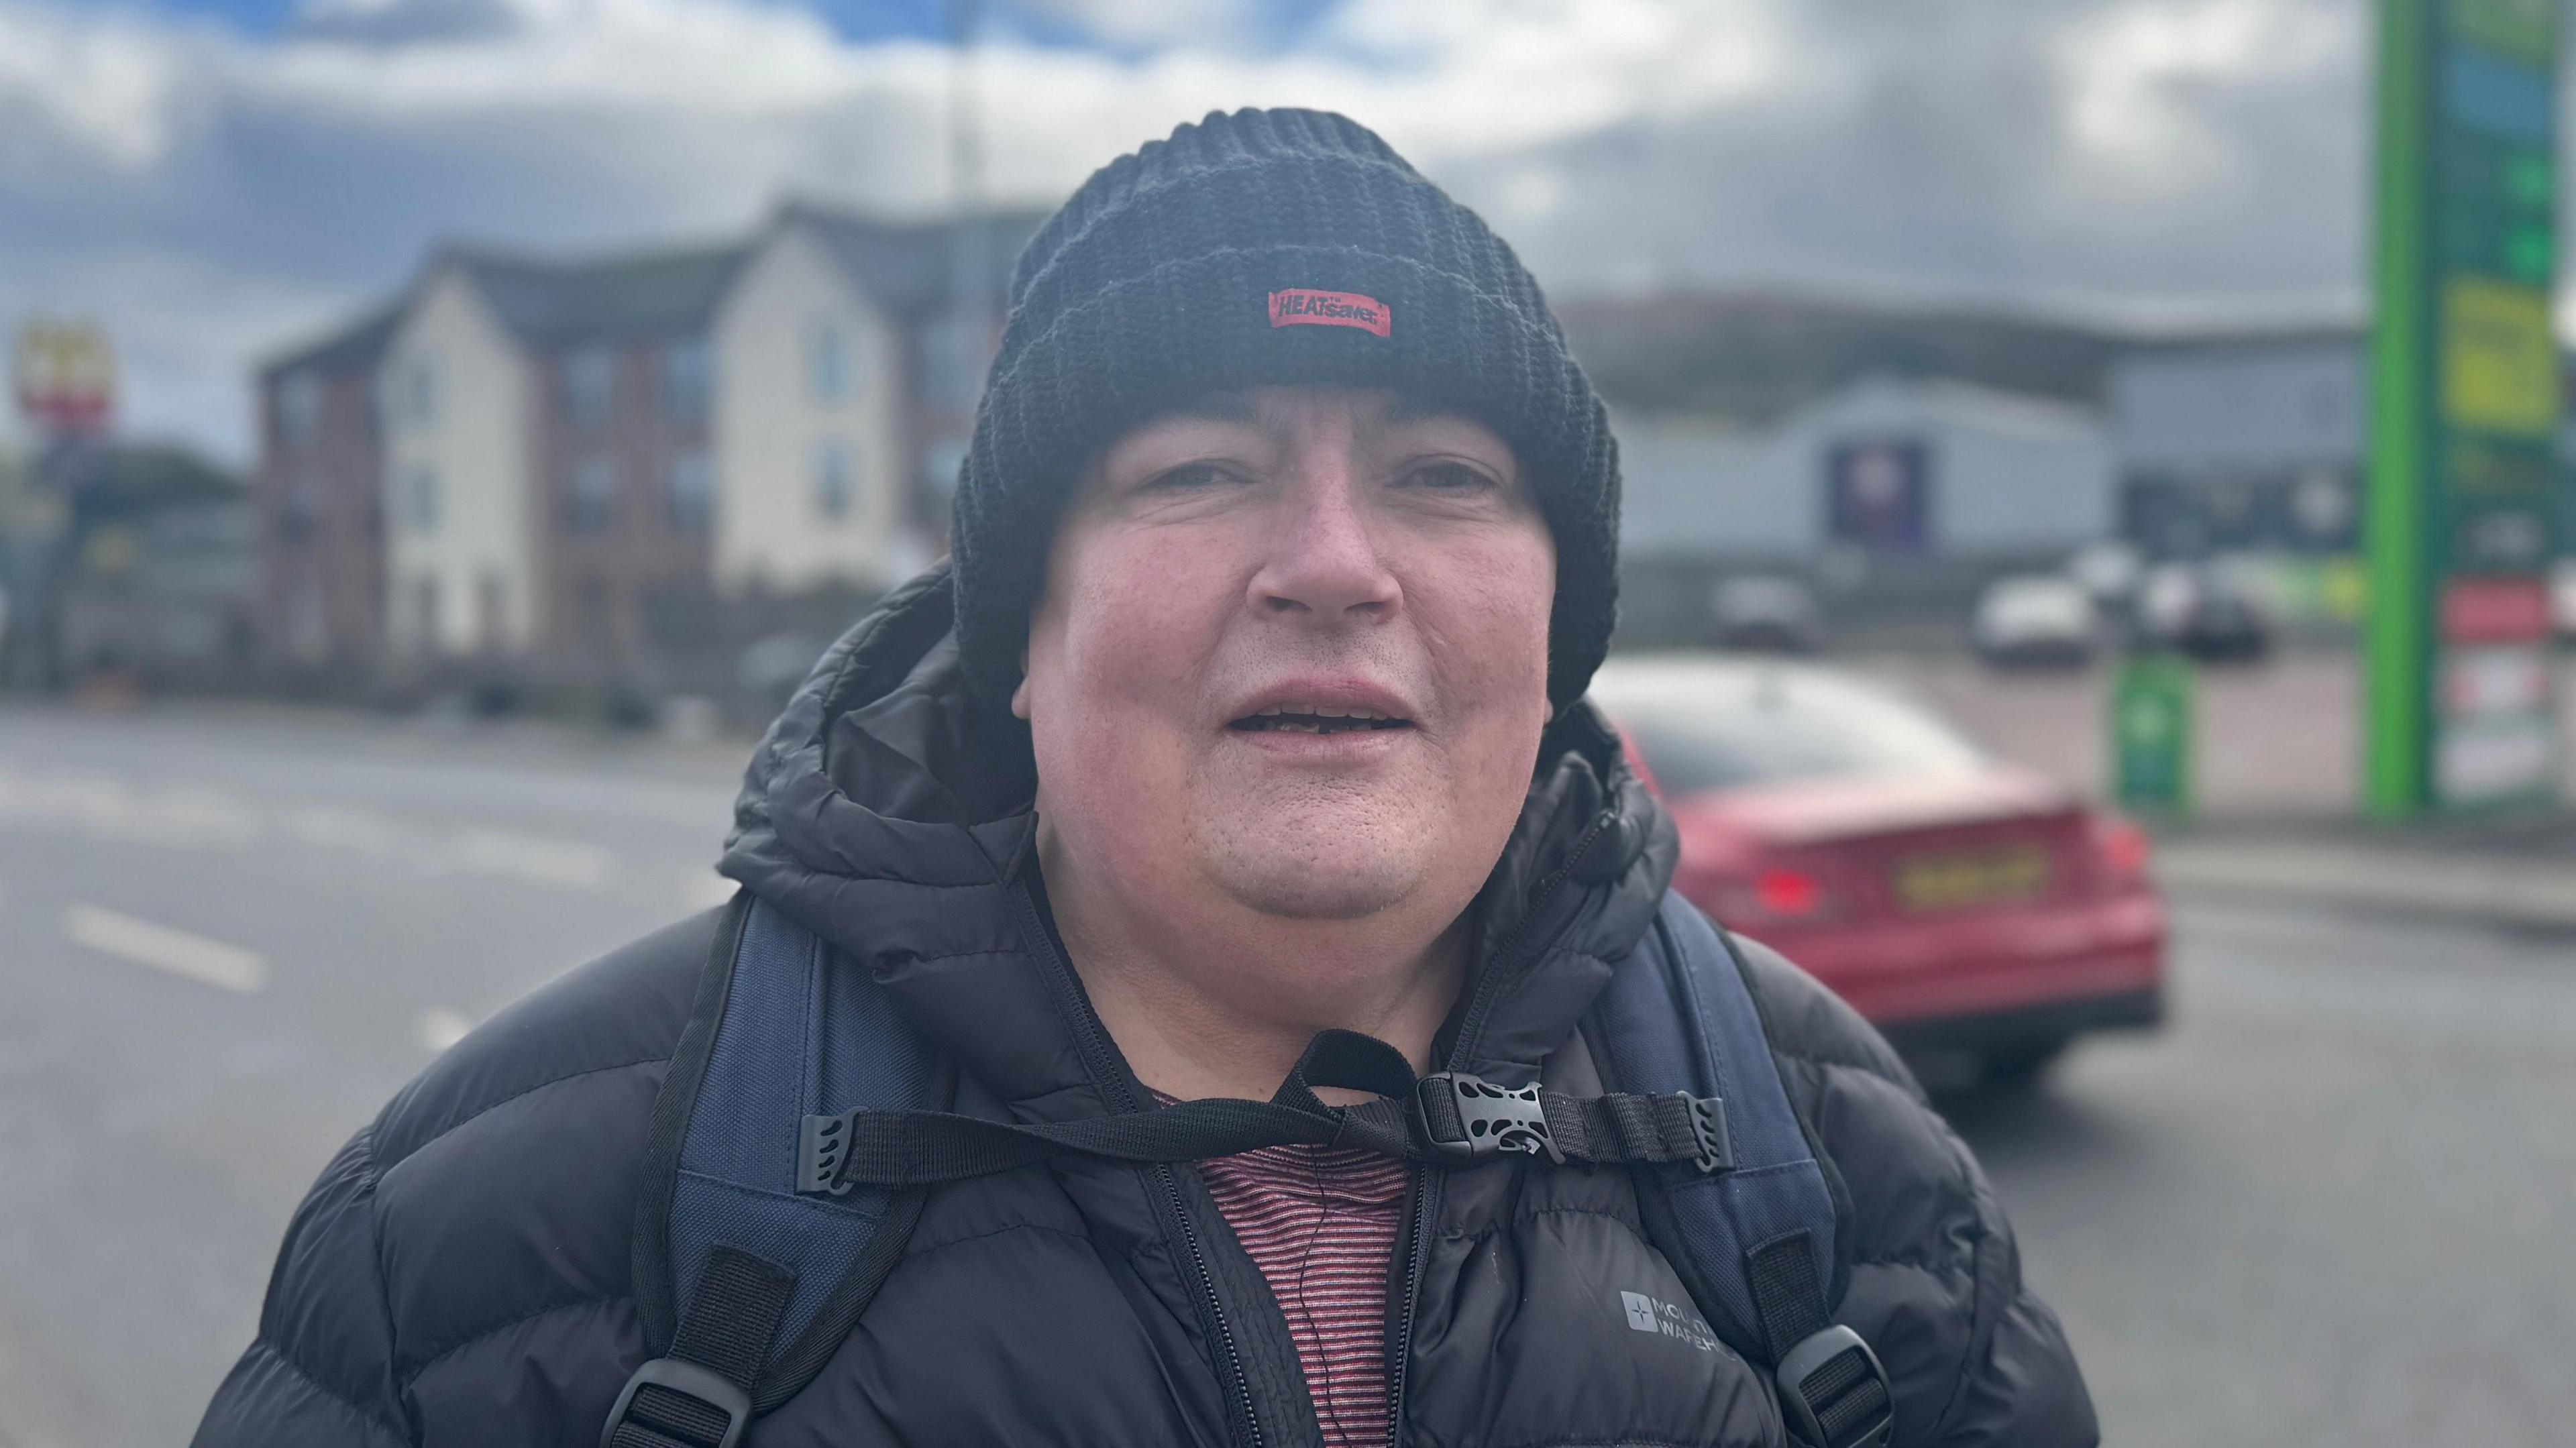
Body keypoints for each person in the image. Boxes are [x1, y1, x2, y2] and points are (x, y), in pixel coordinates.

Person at [193, 108, 2093, 1448]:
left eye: (1445, 473)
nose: (1337, 562)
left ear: (1554, 626)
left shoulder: (1837, 1160)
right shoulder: (479, 1241)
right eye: (1197, 469)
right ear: (1020, 632)